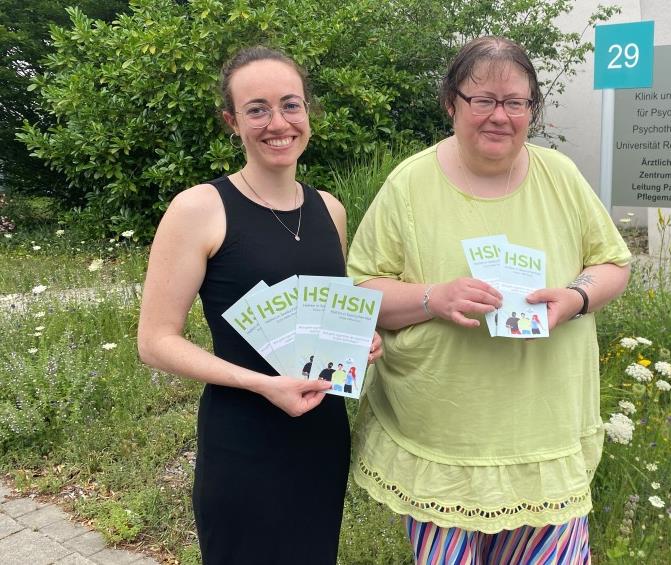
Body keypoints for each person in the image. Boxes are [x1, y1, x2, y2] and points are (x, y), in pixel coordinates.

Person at [347, 36, 630, 563]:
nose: (499, 116)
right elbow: (363, 290)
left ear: (531, 110)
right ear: (452, 103)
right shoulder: (410, 183)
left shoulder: (561, 176)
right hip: (445, 439)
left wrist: (575, 297)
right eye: (483, 100)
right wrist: (434, 296)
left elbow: (612, 264)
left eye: (515, 102)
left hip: (544, 433)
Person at [137, 45, 381, 564]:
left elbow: (326, 318)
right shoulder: (199, 209)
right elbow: (155, 342)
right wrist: (262, 384)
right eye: (257, 109)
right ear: (232, 121)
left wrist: (358, 341)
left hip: (320, 434)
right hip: (242, 437)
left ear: (308, 112)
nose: (278, 123)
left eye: (290, 105)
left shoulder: (329, 211)